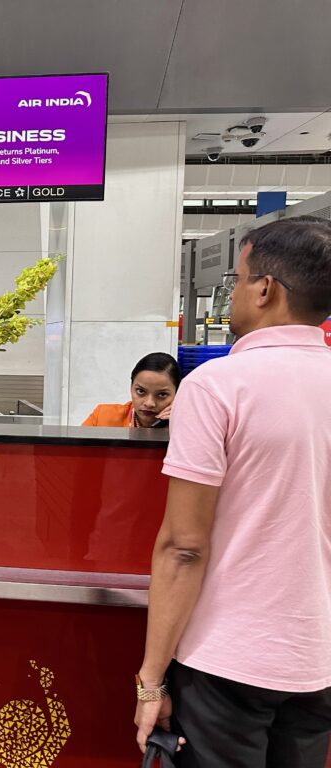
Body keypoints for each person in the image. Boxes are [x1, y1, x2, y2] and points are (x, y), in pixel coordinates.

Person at [134, 217, 331, 766]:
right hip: (317, 660)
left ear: (265, 289)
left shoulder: (217, 386)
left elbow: (184, 547)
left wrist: (151, 680)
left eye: (238, 278)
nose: (234, 290)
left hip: (228, 661)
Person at [82, 353, 181, 428]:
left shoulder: (185, 425)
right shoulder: (102, 417)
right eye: (141, 391)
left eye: (162, 394)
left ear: (178, 393)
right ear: (131, 387)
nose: (149, 403)